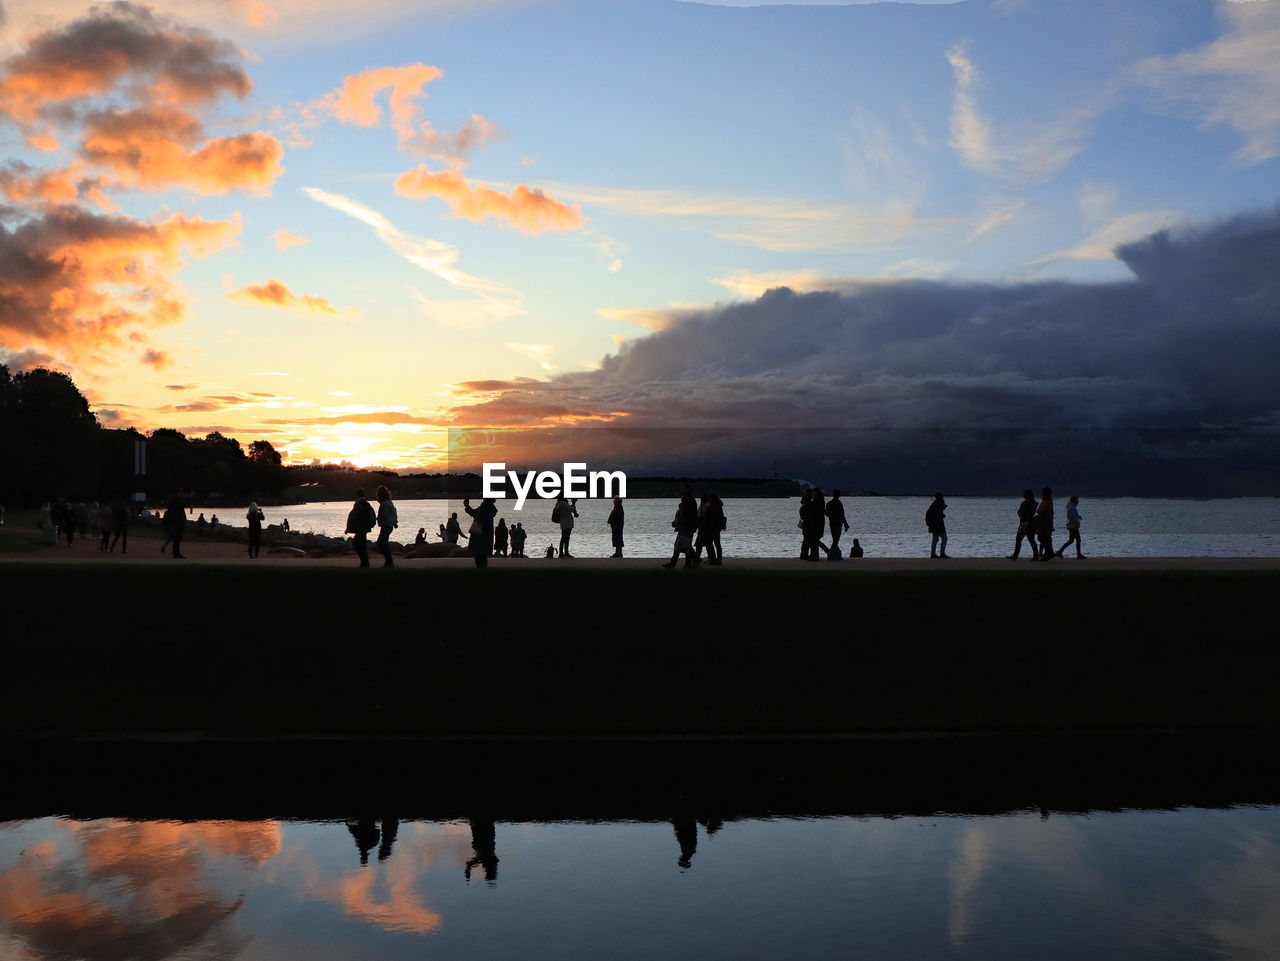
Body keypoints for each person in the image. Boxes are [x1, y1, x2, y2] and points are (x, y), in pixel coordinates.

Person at [662, 483, 700, 569]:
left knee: (680, 545)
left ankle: (683, 563)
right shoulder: (687, 500)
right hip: (686, 526)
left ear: (688, 490)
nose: (681, 490)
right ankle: (690, 562)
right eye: (681, 488)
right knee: (685, 545)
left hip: (687, 526)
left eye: (683, 489)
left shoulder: (689, 500)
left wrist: (677, 522)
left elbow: (686, 515)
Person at [344, 487, 377, 568]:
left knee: (356, 543)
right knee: (362, 544)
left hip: (360, 528)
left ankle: (364, 562)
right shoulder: (366, 503)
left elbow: (355, 517)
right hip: (365, 527)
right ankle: (365, 563)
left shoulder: (358, 504)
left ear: (356, 494)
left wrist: (348, 528)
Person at [464, 496, 497, 568]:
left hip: (481, 533)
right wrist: (467, 507)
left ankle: (480, 570)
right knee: (482, 554)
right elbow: (475, 513)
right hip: (484, 533)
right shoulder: (489, 507)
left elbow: (475, 514)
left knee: (479, 554)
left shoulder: (486, 507)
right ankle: (482, 570)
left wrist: (467, 506)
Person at [1008, 489, 1039, 560]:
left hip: (1029, 523)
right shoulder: (1024, 503)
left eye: (1025, 494)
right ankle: (1015, 555)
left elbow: (1031, 512)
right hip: (1023, 523)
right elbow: (1019, 511)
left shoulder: (1033, 503)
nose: (1023, 495)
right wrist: (1020, 514)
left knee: (1029, 539)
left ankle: (1035, 556)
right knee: (1020, 539)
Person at [696, 492, 726, 565]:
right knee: (716, 544)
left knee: (710, 543)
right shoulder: (718, 506)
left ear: (712, 498)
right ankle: (717, 559)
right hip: (716, 528)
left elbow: (707, 517)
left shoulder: (711, 506)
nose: (708, 500)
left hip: (710, 527)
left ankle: (713, 559)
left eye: (709, 498)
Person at [801, 487, 827, 561]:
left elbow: (812, 513)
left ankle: (814, 555)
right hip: (816, 523)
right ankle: (814, 555)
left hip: (813, 524)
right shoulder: (819, 501)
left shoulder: (815, 502)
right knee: (813, 540)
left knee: (812, 540)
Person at [375, 485, 398, 568]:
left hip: (386, 525)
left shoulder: (384, 504)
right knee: (383, 543)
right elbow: (393, 513)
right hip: (389, 525)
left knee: (381, 543)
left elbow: (384, 516)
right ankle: (388, 562)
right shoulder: (389, 502)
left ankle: (389, 561)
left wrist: (376, 518)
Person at [162, 488, 188, 559]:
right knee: (177, 538)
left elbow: (185, 505)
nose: (182, 494)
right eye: (181, 492)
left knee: (178, 538)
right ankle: (176, 553)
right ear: (178, 493)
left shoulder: (177, 500)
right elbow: (183, 505)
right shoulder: (176, 501)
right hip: (177, 521)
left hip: (179, 521)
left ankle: (176, 552)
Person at [825, 489, 850, 559]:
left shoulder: (829, 503)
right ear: (839, 495)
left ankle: (836, 554)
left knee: (835, 539)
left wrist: (831, 515)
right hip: (838, 524)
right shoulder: (839, 503)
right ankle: (831, 554)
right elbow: (842, 515)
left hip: (832, 523)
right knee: (836, 540)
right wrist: (846, 524)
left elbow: (826, 513)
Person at [1034, 487, 1055, 561]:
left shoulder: (1047, 501)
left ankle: (1047, 554)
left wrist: (1039, 510)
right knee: (1045, 538)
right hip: (1045, 522)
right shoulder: (1046, 501)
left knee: (1043, 538)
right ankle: (1048, 553)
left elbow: (1042, 510)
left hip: (1045, 522)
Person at [926, 492, 949, 558]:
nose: (942, 498)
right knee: (944, 538)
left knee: (936, 539)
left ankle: (933, 554)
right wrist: (942, 515)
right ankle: (941, 553)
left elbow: (936, 513)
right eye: (941, 497)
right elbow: (936, 514)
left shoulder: (935, 504)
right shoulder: (937, 504)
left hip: (934, 524)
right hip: (937, 524)